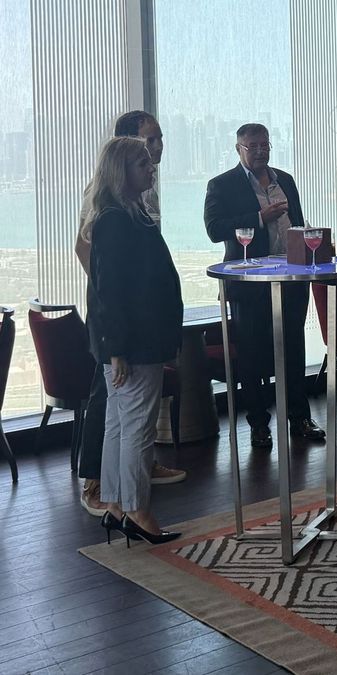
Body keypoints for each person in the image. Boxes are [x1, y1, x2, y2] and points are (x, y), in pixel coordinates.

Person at [77, 111, 184, 517]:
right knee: (133, 423)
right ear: (121, 169)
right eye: (144, 156)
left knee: (120, 423)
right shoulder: (114, 218)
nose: (153, 160)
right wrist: (116, 342)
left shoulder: (131, 209)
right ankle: (132, 509)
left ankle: (117, 504)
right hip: (130, 336)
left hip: (130, 333)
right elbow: (109, 284)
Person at [203, 124, 325, 449]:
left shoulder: (285, 180)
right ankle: (259, 424)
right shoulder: (222, 184)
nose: (260, 151)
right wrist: (259, 217)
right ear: (238, 149)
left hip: (291, 279)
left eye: (265, 145)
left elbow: (296, 222)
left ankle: (299, 417)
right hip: (250, 283)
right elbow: (214, 229)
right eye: (253, 146)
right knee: (252, 355)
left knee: (293, 350)